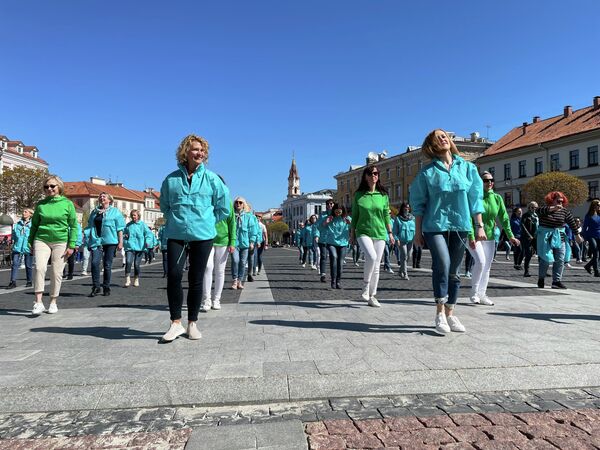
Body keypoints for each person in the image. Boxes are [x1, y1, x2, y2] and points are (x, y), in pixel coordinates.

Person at [410, 129, 485, 334]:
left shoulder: (468, 168)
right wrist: (417, 232)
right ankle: (440, 313)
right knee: (442, 264)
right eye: (438, 138)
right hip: (434, 225)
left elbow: (475, 198)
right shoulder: (427, 173)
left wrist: (479, 225)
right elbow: (418, 203)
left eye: (444, 136)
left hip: (461, 224)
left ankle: (451, 313)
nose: (443, 139)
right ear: (432, 145)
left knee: (454, 271)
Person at [160, 134, 230, 342]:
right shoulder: (171, 179)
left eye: (202, 150)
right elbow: (164, 205)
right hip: (176, 233)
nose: (200, 153)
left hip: (202, 235)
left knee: (196, 278)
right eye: (196, 149)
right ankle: (175, 323)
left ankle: (192, 323)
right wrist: (176, 219)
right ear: (185, 152)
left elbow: (223, 208)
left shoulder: (212, 179)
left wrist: (207, 221)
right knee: (174, 274)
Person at [467, 172, 519, 306]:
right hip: (474, 236)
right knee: (480, 262)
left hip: (490, 237)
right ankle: (474, 293)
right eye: (485, 180)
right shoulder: (474, 196)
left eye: (491, 180)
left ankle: (482, 294)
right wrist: (471, 236)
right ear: (480, 182)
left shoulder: (497, 198)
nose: (489, 182)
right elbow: (469, 217)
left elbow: (504, 218)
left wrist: (510, 236)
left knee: (487, 267)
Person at [28, 175, 78, 315]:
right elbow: (34, 225)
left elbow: (74, 226)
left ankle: (53, 301)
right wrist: (30, 241)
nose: (49, 189)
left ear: (59, 187)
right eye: (46, 186)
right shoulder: (41, 204)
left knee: (56, 272)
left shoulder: (67, 204)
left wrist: (72, 244)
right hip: (41, 239)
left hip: (60, 241)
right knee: (39, 267)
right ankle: (38, 302)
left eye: (52, 186)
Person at [350, 165, 395, 307]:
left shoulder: (383, 195)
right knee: (371, 256)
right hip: (363, 231)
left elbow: (386, 215)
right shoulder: (359, 195)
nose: (373, 175)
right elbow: (355, 216)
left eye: (376, 173)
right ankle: (365, 286)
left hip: (380, 232)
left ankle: (372, 296)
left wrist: (390, 233)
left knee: (376, 266)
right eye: (370, 173)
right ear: (365, 176)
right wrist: (352, 234)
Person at [536, 191, 581, 289]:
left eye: (562, 201)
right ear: (551, 200)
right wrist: (553, 208)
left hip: (560, 237)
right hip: (546, 237)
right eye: (558, 201)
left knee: (560, 259)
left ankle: (556, 281)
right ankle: (541, 278)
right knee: (545, 259)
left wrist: (577, 235)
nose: (560, 203)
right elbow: (538, 211)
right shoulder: (544, 209)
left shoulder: (565, 212)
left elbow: (572, 223)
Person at [85, 193, 125, 297]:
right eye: (100, 196)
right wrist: (88, 240)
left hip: (110, 241)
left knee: (107, 265)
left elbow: (120, 228)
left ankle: (106, 286)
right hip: (96, 241)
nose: (101, 198)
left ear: (109, 200)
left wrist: (120, 242)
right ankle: (96, 286)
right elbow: (89, 226)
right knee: (94, 263)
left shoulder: (115, 212)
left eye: (104, 196)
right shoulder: (94, 212)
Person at [202, 197, 236, 312]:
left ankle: (217, 299)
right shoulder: (206, 199)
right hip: (207, 237)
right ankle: (207, 299)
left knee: (220, 270)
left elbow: (232, 222)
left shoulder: (227, 202)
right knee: (207, 267)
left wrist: (232, 241)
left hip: (223, 240)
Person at [231, 197, 256, 290]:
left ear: (243, 204)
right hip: (234, 243)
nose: (238, 204)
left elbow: (252, 230)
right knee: (235, 260)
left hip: (245, 244)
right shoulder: (231, 215)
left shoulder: (248, 217)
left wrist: (252, 242)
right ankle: (234, 280)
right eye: (236, 202)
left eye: (240, 202)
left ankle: (239, 281)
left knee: (243, 262)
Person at [123, 209, 153, 288]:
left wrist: (148, 241)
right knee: (128, 262)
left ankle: (136, 278)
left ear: (138, 216)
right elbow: (124, 233)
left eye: (134, 215)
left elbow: (149, 234)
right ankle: (127, 279)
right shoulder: (128, 225)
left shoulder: (142, 225)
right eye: (132, 215)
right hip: (130, 246)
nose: (133, 217)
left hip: (140, 247)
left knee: (136, 264)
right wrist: (125, 236)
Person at [324, 203, 351, 289]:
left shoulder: (347, 218)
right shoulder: (330, 218)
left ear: (342, 211)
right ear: (334, 211)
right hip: (331, 242)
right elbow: (320, 227)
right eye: (336, 211)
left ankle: (338, 281)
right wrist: (326, 222)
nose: (338, 213)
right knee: (334, 257)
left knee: (340, 263)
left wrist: (350, 224)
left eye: (339, 211)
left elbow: (354, 228)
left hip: (343, 243)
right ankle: (333, 281)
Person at [6, 208, 34, 289]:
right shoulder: (18, 224)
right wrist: (12, 242)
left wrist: (33, 245)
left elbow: (34, 235)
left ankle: (29, 281)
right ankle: (13, 282)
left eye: (26, 212)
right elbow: (14, 234)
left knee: (28, 265)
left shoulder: (33, 225)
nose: (23, 213)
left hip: (28, 247)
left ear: (30, 214)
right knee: (14, 264)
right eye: (23, 212)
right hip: (17, 247)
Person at [393, 202, 415, 281]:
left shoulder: (413, 218)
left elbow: (415, 229)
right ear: (402, 208)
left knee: (409, 256)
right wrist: (396, 239)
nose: (406, 209)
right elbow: (395, 230)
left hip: (411, 240)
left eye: (408, 208)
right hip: (401, 240)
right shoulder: (398, 218)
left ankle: (400, 271)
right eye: (405, 207)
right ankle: (405, 273)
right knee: (404, 255)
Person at [316, 200, 334, 282]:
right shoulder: (322, 215)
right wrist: (324, 223)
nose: (330, 205)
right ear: (326, 206)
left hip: (333, 239)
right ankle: (323, 274)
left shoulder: (336, 214)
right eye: (328, 204)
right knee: (323, 256)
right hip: (323, 239)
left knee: (333, 257)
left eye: (331, 203)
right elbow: (318, 226)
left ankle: (333, 274)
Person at [520, 201, 538, 277]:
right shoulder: (525, 215)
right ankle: (526, 271)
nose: (534, 209)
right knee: (528, 254)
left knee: (541, 254)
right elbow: (522, 226)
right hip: (528, 237)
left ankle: (543, 270)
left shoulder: (537, 216)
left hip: (537, 237)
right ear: (529, 207)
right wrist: (529, 235)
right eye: (532, 207)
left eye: (535, 207)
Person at [582, 199, 600, 277]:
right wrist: (585, 238)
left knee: (598, 255)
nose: (599, 206)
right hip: (591, 236)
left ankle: (588, 266)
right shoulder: (588, 215)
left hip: (599, 235)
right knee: (595, 253)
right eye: (598, 205)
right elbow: (584, 227)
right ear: (594, 205)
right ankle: (596, 271)